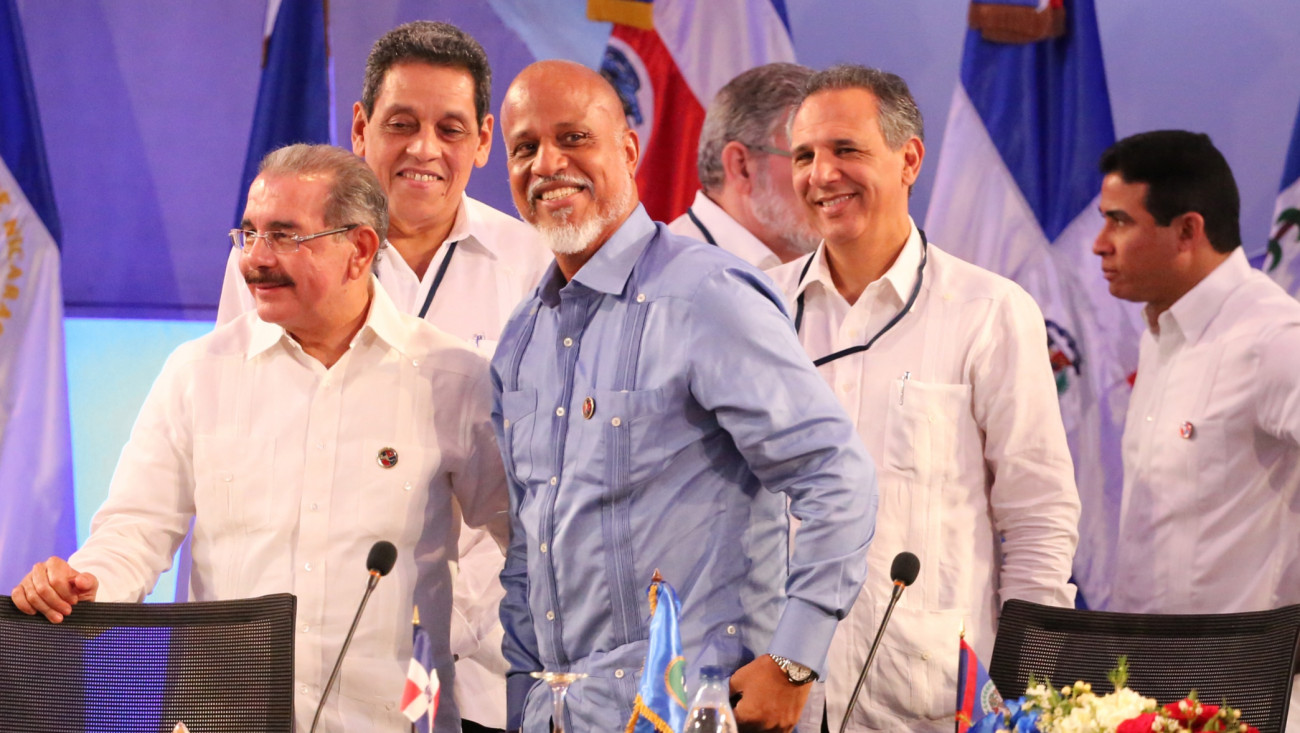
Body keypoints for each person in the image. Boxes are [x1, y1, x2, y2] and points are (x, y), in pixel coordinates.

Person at [12, 144, 509, 733]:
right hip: (222, 718)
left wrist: (465, 631)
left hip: (392, 721)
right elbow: (134, 529)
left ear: (359, 249)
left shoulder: (454, 380)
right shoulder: (197, 372)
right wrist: (89, 582)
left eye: (284, 236)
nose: (255, 259)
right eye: (248, 234)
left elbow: (525, 543)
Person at [492, 59, 877, 733]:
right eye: (525, 147)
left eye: (573, 138)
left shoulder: (705, 295)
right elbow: (528, 548)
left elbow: (835, 474)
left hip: (698, 711)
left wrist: (794, 660)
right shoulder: (521, 339)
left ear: (629, 150)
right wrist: (525, 698)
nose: (547, 163)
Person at [217, 22, 551, 732]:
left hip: (476, 673)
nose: (424, 149)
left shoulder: (537, 271)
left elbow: (536, 493)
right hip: (297, 668)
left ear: (483, 140)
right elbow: (239, 446)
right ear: (360, 127)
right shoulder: (271, 263)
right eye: (401, 124)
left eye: (449, 128)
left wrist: (474, 624)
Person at [767, 65, 1080, 733]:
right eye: (804, 155)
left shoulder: (989, 311)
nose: (821, 175)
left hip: (934, 704)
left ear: (909, 159)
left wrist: (1028, 695)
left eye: (845, 149)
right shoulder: (756, 309)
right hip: (780, 695)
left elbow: (1039, 517)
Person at [1092, 130, 1300, 728]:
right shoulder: (1161, 333)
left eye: (1119, 222)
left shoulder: (1271, 340)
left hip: (1249, 702)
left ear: (1187, 230)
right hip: (1147, 691)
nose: (1099, 245)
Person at [668, 62, 820, 268]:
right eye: (807, 157)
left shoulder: (835, 268)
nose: (831, 177)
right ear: (741, 167)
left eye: (842, 153)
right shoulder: (666, 274)